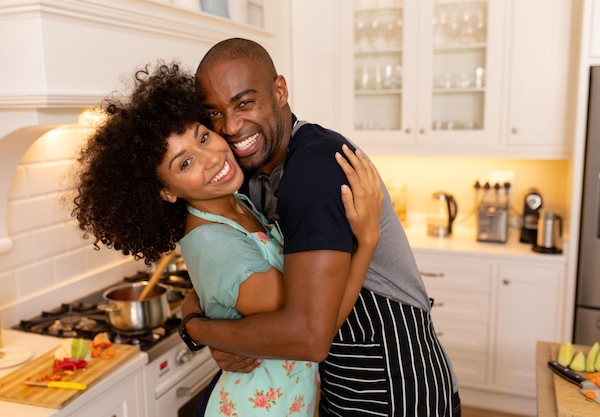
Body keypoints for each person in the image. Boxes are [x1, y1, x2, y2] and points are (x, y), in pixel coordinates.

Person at [70, 62, 383, 417]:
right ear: (166, 192)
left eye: (203, 137)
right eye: (185, 163)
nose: (212, 157)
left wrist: (200, 325)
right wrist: (368, 240)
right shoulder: (216, 243)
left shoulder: (240, 203)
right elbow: (312, 332)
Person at [179, 38, 461, 417]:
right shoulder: (245, 174)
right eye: (213, 114)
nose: (230, 126)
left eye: (245, 102)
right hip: (340, 380)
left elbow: (308, 336)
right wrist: (193, 309)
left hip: (392, 379)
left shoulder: (313, 171)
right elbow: (228, 268)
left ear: (280, 90)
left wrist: (200, 331)